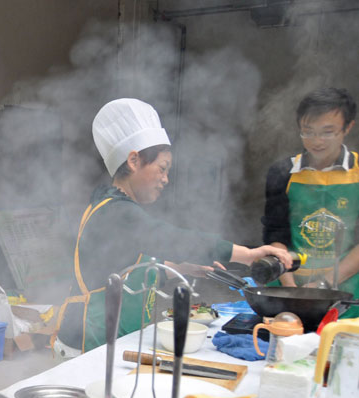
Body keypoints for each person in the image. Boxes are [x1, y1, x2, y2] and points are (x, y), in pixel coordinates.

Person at [55, 98, 292, 355]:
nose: (165, 179)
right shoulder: (116, 212)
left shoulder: (118, 209)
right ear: (134, 161)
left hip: (107, 343)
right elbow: (171, 239)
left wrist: (181, 268)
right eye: (162, 168)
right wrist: (247, 254)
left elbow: (132, 275)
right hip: (84, 344)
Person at [261, 87, 359, 306]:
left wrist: (324, 284)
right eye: (308, 132)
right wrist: (291, 290)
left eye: (327, 132)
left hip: (348, 284)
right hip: (290, 280)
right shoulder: (282, 172)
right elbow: (276, 233)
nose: (317, 141)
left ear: (347, 128)